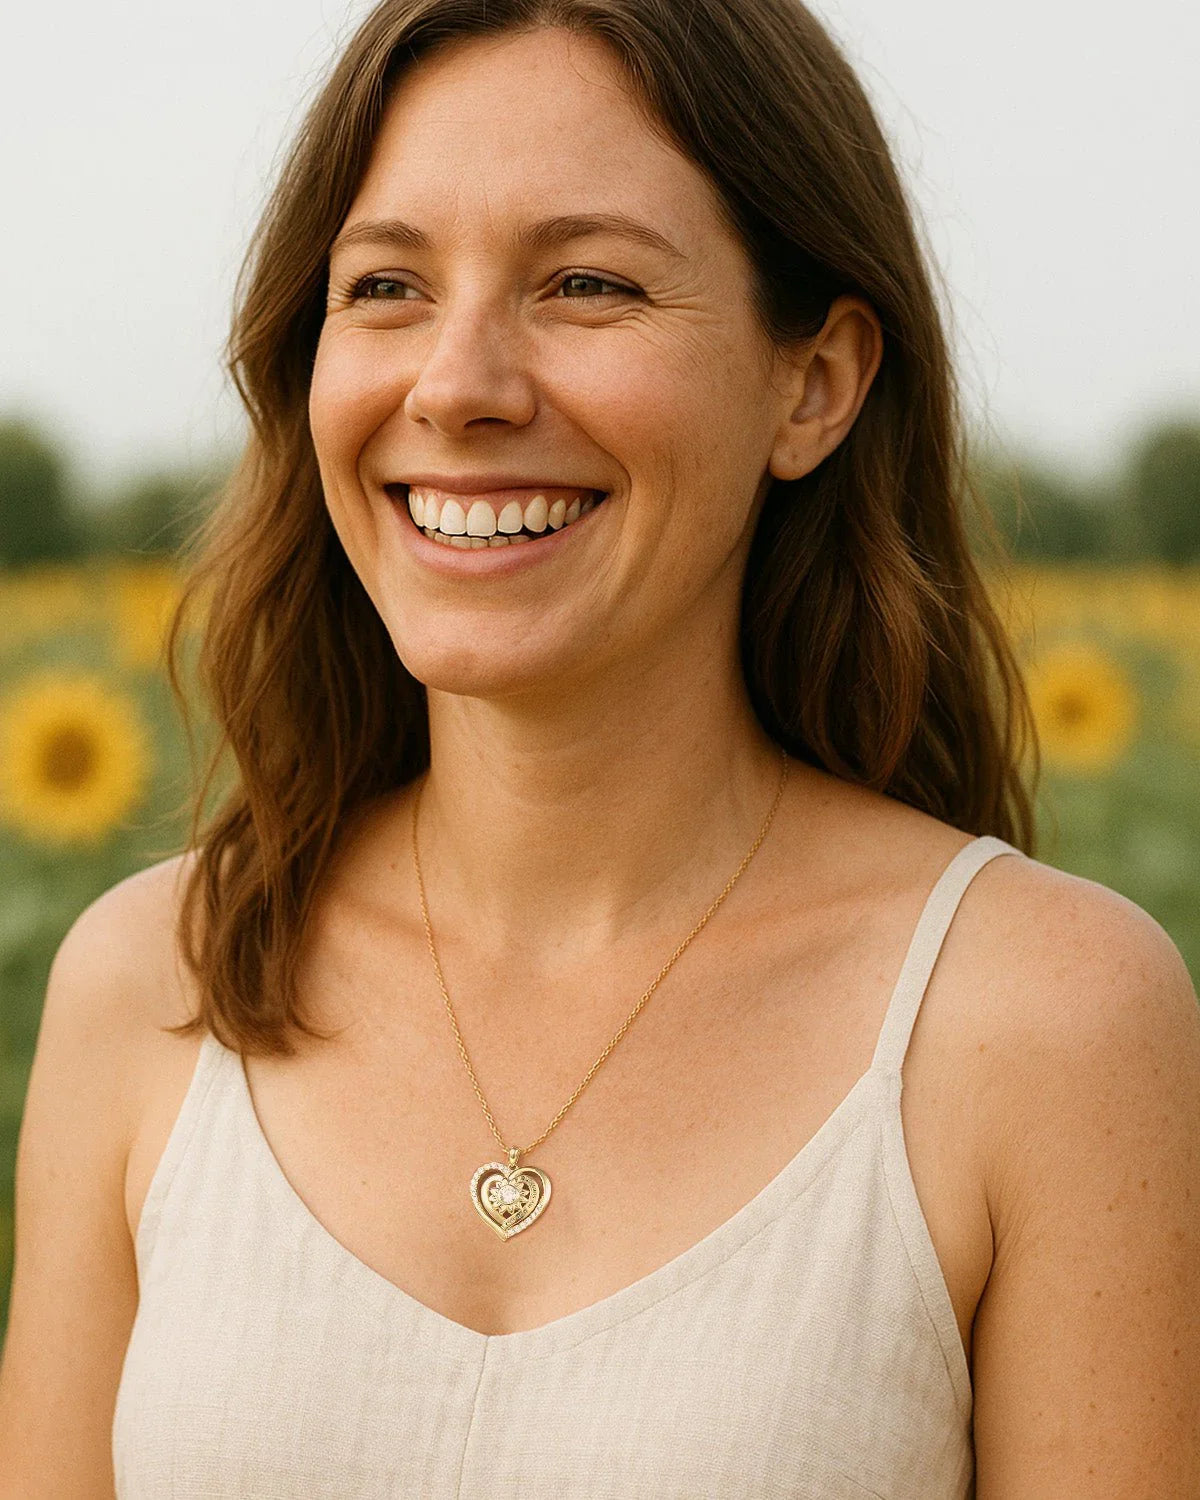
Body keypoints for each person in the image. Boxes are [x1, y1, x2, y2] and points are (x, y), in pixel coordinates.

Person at [2, 1, 1198, 1495]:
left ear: (813, 383)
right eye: (385, 285)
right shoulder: (153, 985)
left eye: (585, 282)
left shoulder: (1044, 1022)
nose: (457, 383)